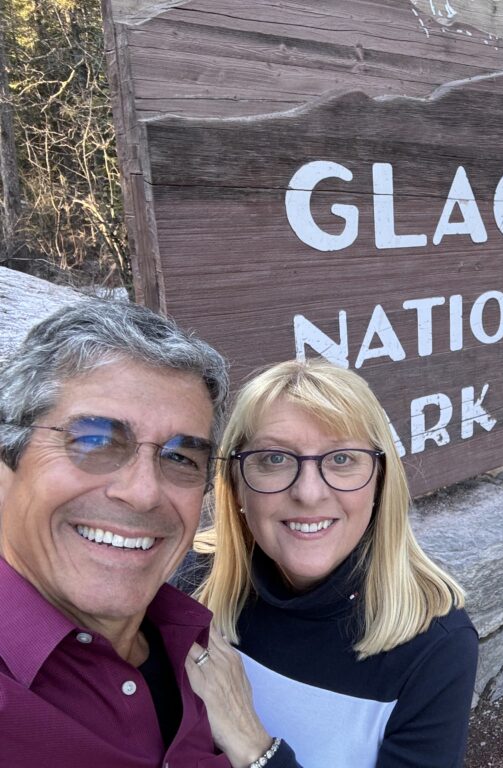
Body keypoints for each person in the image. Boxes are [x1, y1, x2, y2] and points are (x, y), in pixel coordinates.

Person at [0, 300, 296, 767]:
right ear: (6, 462)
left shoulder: (198, 647)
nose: (142, 493)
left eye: (181, 457)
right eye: (94, 440)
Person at [181, 359, 478, 768]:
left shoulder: (434, 644)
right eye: (274, 459)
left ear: (379, 481)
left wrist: (252, 745)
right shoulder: (190, 583)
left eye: (341, 459)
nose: (309, 493)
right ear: (235, 486)